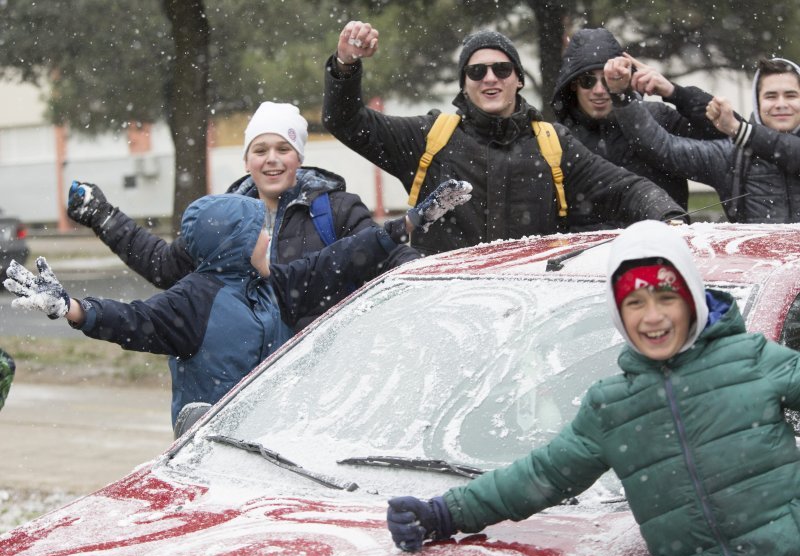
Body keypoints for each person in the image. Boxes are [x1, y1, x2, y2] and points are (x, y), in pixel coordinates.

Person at [385, 219, 800, 556]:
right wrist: (445, 514)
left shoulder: (751, 359)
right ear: (619, 315)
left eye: (666, 298)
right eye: (634, 303)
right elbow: (539, 476)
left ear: (692, 300)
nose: (652, 317)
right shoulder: (612, 407)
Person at [5, 181, 472, 434]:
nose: (271, 239)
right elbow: (133, 320)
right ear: (232, 244)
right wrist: (71, 307)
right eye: (261, 232)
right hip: (206, 444)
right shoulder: (192, 300)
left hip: (275, 434)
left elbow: (339, 259)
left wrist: (405, 224)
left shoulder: (278, 284)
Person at [323, 22, 687, 256]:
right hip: (442, 310)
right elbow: (345, 121)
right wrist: (345, 66)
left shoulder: (552, 143)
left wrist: (670, 220)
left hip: (528, 313)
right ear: (464, 83)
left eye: (502, 69)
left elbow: (627, 190)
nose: (490, 78)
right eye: (477, 71)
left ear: (518, 78)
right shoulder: (428, 138)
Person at [67, 101, 418, 331]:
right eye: (260, 150)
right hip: (246, 378)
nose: (272, 159)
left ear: (299, 157)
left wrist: (424, 270)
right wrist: (104, 217)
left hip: (324, 367)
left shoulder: (337, 209)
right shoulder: (221, 218)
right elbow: (165, 266)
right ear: (246, 160)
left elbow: (383, 253)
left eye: (284, 149)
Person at [551, 28, 732, 221]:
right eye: (587, 81)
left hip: (660, 243)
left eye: (608, 79)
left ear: (626, 77)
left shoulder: (658, 117)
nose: (599, 90)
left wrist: (675, 92)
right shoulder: (557, 139)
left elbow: (730, 138)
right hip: (589, 249)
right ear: (572, 85)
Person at [606, 56, 800, 223]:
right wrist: (622, 97)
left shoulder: (739, 132)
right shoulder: (733, 155)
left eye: (791, 95)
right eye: (771, 96)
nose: (781, 104)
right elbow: (663, 148)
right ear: (757, 103)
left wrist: (738, 129)